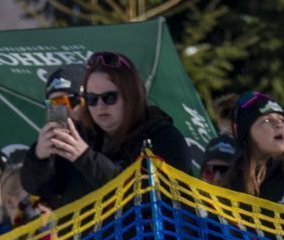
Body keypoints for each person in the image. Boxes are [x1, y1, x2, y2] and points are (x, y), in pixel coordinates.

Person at [21, 50, 192, 211]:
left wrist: (86, 158)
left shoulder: (162, 135)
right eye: (92, 99)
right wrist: (39, 157)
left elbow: (153, 197)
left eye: (109, 97)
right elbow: (40, 187)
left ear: (130, 95)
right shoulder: (82, 138)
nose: (100, 106)